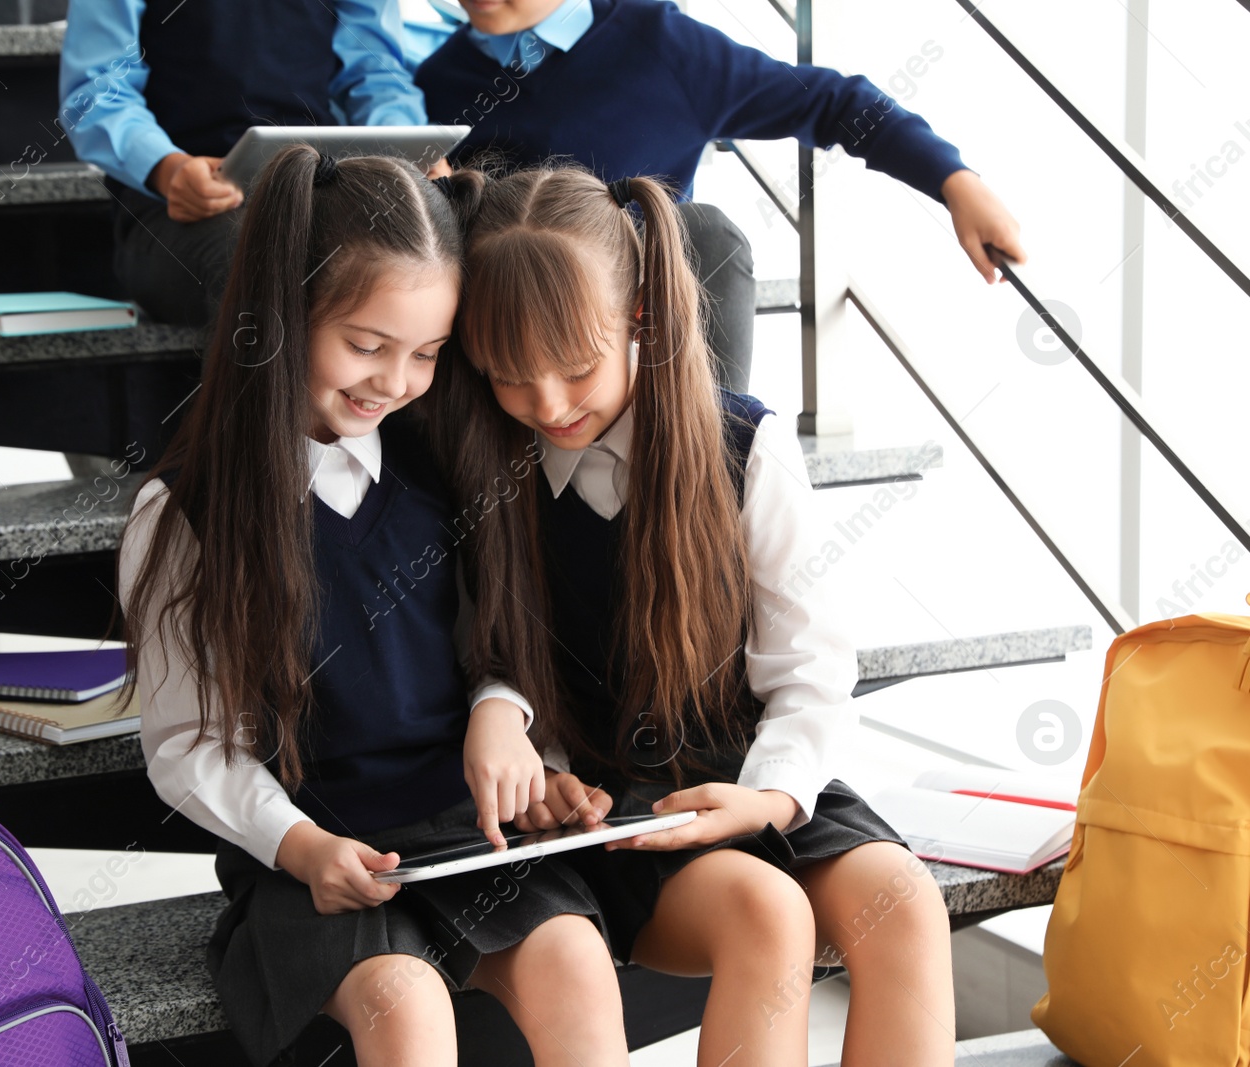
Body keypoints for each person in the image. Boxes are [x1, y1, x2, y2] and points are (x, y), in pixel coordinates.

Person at [423, 163, 955, 1066]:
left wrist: (769, 794)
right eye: (511, 378)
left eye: (576, 368)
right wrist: (542, 766)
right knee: (765, 911)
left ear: (640, 317)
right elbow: (492, 657)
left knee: (904, 899)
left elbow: (811, 669)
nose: (548, 405)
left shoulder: (745, 444)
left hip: (749, 772)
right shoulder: (488, 468)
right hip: (613, 812)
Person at [113, 146, 628, 1067]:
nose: (394, 381)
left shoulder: (442, 465)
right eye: (366, 345)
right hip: (315, 856)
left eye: (427, 354)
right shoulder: (188, 512)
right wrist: (301, 845)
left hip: (459, 833)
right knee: (404, 1002)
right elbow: (188, 743)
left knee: (577, 962)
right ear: (285, 316)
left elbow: (498, 643)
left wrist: (503, 719)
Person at [412, 0, 1026, 394]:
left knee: (706, 233)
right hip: (516, 340)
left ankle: (718, 468)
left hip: (646, 330)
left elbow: (833, 103)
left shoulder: (661, 43)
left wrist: (953, 183)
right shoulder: (437, 81)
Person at [59, 0, 448, 328]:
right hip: (173, 209)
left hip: (318, 187)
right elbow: (98, 90)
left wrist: (410, 150)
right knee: (260, 264)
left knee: (430, 244)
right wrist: (168, 168)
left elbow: (375, 72)